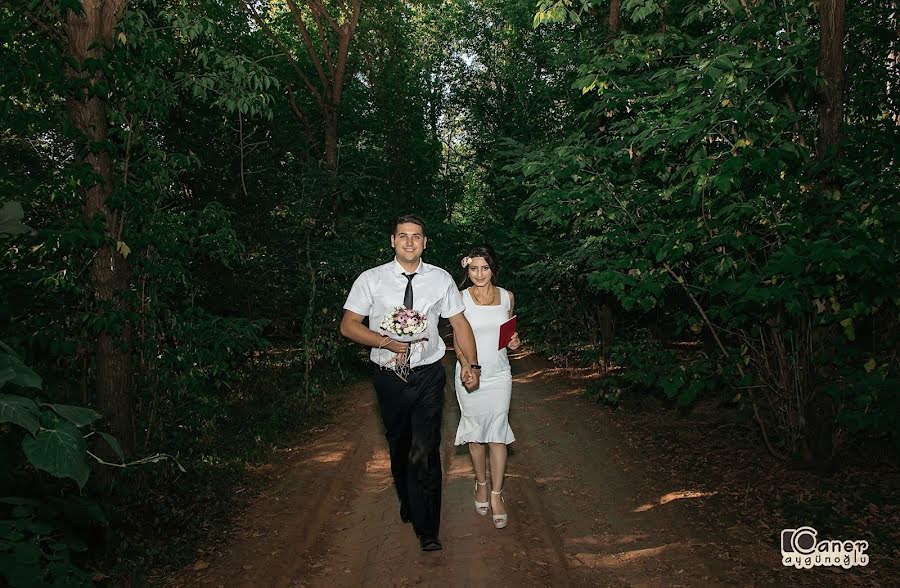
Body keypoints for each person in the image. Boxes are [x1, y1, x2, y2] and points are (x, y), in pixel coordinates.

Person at [340, 214, 481, 552]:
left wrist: (471, 363)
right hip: (389, 376)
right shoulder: (371, 280)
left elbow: (459, 324)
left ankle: (428, 528)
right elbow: (349, 325)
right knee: (400, 445)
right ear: (392, 241)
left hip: (428, 373)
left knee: (426, 449)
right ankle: (407, 495)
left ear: (425, 242)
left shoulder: (441, 279)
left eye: (416, 236)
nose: (409, 242)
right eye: (402, 236)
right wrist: (385, 341)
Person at [452, 245, 521, 529]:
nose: (479, 274)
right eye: (473, 268)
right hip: (470, 374)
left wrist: (515, 343)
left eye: (485, 267)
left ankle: (496, 495)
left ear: (493, 268)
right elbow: (457, 339)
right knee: (476, 437)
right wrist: (467, 365)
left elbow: (507, 335)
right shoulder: (459, 299)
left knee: (497, 434)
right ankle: (480, 483)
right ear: (467, 270)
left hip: (500, 374)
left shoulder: (507, 297)